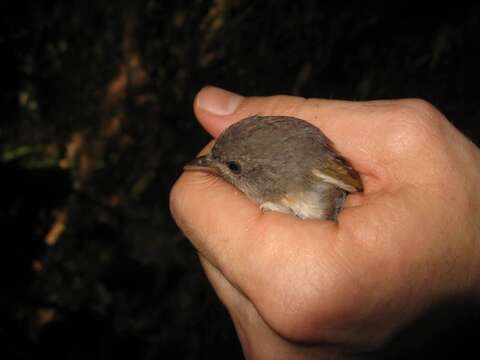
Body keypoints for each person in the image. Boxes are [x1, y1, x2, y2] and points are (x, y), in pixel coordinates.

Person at [170, 86, 480, 359]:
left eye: (234, 167)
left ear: (268, 175)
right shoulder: (258, 189)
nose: (212, 166)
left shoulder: (321, 177)